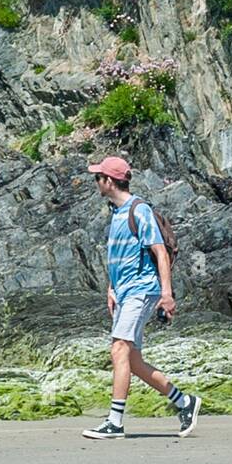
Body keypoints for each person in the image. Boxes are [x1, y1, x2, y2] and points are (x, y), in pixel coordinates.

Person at [81, 156, 202, 440]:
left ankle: (115, 421)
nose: (96, 182)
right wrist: (112, 288)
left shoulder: (140, 210)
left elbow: (160, 251)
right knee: (132, 360)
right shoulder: (117, 213)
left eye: (98, 177)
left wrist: (167, 294)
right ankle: (185, 402)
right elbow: (118, 257)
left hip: (142, 290)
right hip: (125, 293)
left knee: (119, 350)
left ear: (109, 181)